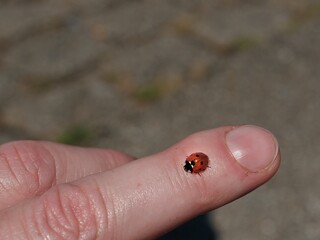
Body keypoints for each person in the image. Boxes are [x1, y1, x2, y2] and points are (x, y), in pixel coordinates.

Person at [0, 125, 280, 239]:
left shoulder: (196, 162)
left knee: (25, 165)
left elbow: (197, 162)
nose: (194, 165)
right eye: (193, 165)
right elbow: (196, 163)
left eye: (193, 165)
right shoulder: (195, 163)